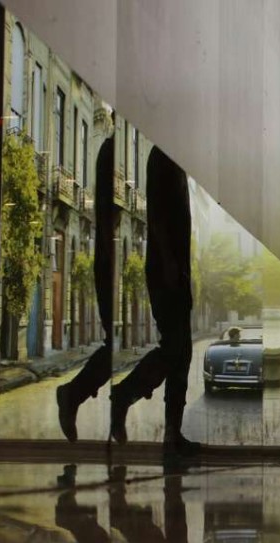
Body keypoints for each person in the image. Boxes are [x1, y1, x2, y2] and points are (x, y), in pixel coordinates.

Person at [110, 146, 198, 455]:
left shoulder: (176, 160)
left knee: (182, 353)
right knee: (175, 350)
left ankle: (172, 434)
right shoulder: (163, 155)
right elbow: (158, 217)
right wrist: (171, 265)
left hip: (176, 271)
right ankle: (124, 395)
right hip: (166, 271)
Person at [56, 136, 115, 442]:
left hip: (113, 261)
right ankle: (75, 394)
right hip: (112, 262)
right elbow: (107, 218)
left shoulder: (116, 149)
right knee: (118, 344)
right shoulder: (112, 151)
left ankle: (76, 394)